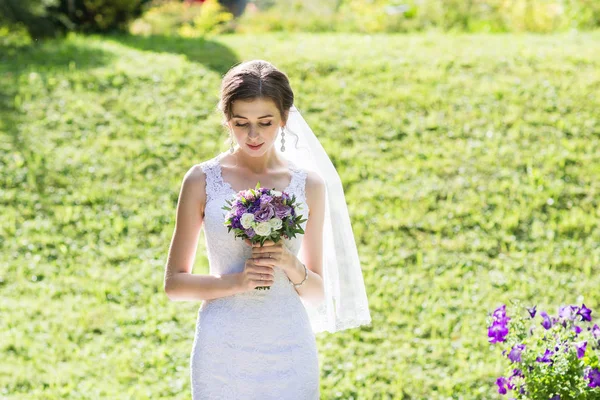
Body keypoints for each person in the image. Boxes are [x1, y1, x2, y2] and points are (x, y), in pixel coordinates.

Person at [164, 60, 323, 399]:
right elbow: (174, 285)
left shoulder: (308, 184)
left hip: (289, 345)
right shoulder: (201, 180)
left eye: (265, 122)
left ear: (283, 118)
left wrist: (290, 263)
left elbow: (319, 293)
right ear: (227, 120)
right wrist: (237, 281)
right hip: (222, 347)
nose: (253, 135)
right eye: (241, 123)